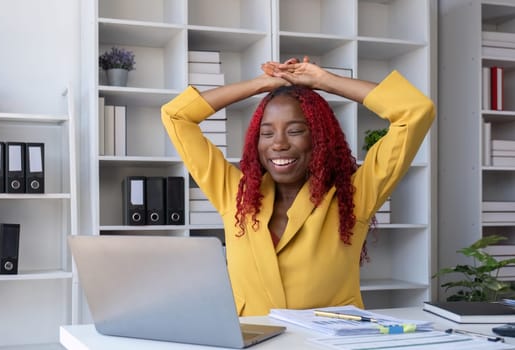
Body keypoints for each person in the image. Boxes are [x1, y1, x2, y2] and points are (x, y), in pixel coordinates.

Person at [161, 57, 435, 316]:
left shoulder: (354, 196)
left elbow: (414, 111)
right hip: (253, 344)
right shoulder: (235, 195)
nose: (278, 144)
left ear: (319, 138)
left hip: (327, 345)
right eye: (266, 133)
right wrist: (260, 85)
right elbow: (175, 116)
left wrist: (325, 81)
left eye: (295, 131)